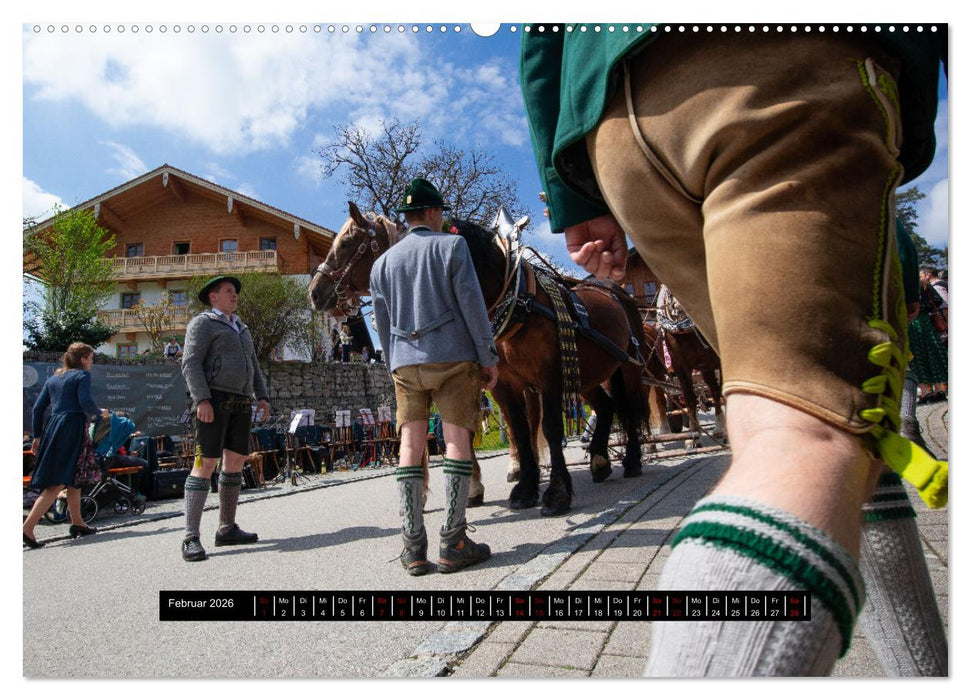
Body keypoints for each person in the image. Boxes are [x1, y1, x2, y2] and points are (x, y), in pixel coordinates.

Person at [521, 26, 947, 676]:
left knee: (813, 429)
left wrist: (573, 189)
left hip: (615, 127)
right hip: (779, 59)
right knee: (805, 432)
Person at [370, 177, 499, 575]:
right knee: (456, 440)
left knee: (410, 444)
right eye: (439, 212)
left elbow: (382, 322)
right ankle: (453, 541)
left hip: (404, 364)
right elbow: (473, 307)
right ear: (430, 212)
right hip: (454, 359)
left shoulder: (381, 264)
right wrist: (488, 356)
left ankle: (413, 547)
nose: (442, 218)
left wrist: (395, 363)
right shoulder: (452, 246)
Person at [180, 275, 271, 562]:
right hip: (214, 401)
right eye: (229, 291)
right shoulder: (203, 323)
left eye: (235, 292)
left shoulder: (241, 328)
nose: (235, 296)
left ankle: (226, 528)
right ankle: (190, 537)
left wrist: (263, 396)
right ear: (213, 297)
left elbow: (254, 365)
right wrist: (201, 399)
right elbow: (191, 363)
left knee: (234, 463)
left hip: (241, 402)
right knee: (205, 464)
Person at [23, 342, 109, 547]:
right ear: (82, 359)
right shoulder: (82, 376)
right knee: (58, 481)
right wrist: (100, 413)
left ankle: (78, 523)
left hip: (54, 427)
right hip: (72, 426)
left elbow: (37, 409)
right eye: (90, 358)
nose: (91, 362)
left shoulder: (54, 379)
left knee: (74, 477)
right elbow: (85, 401)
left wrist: (37, 436)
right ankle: (27, 529)